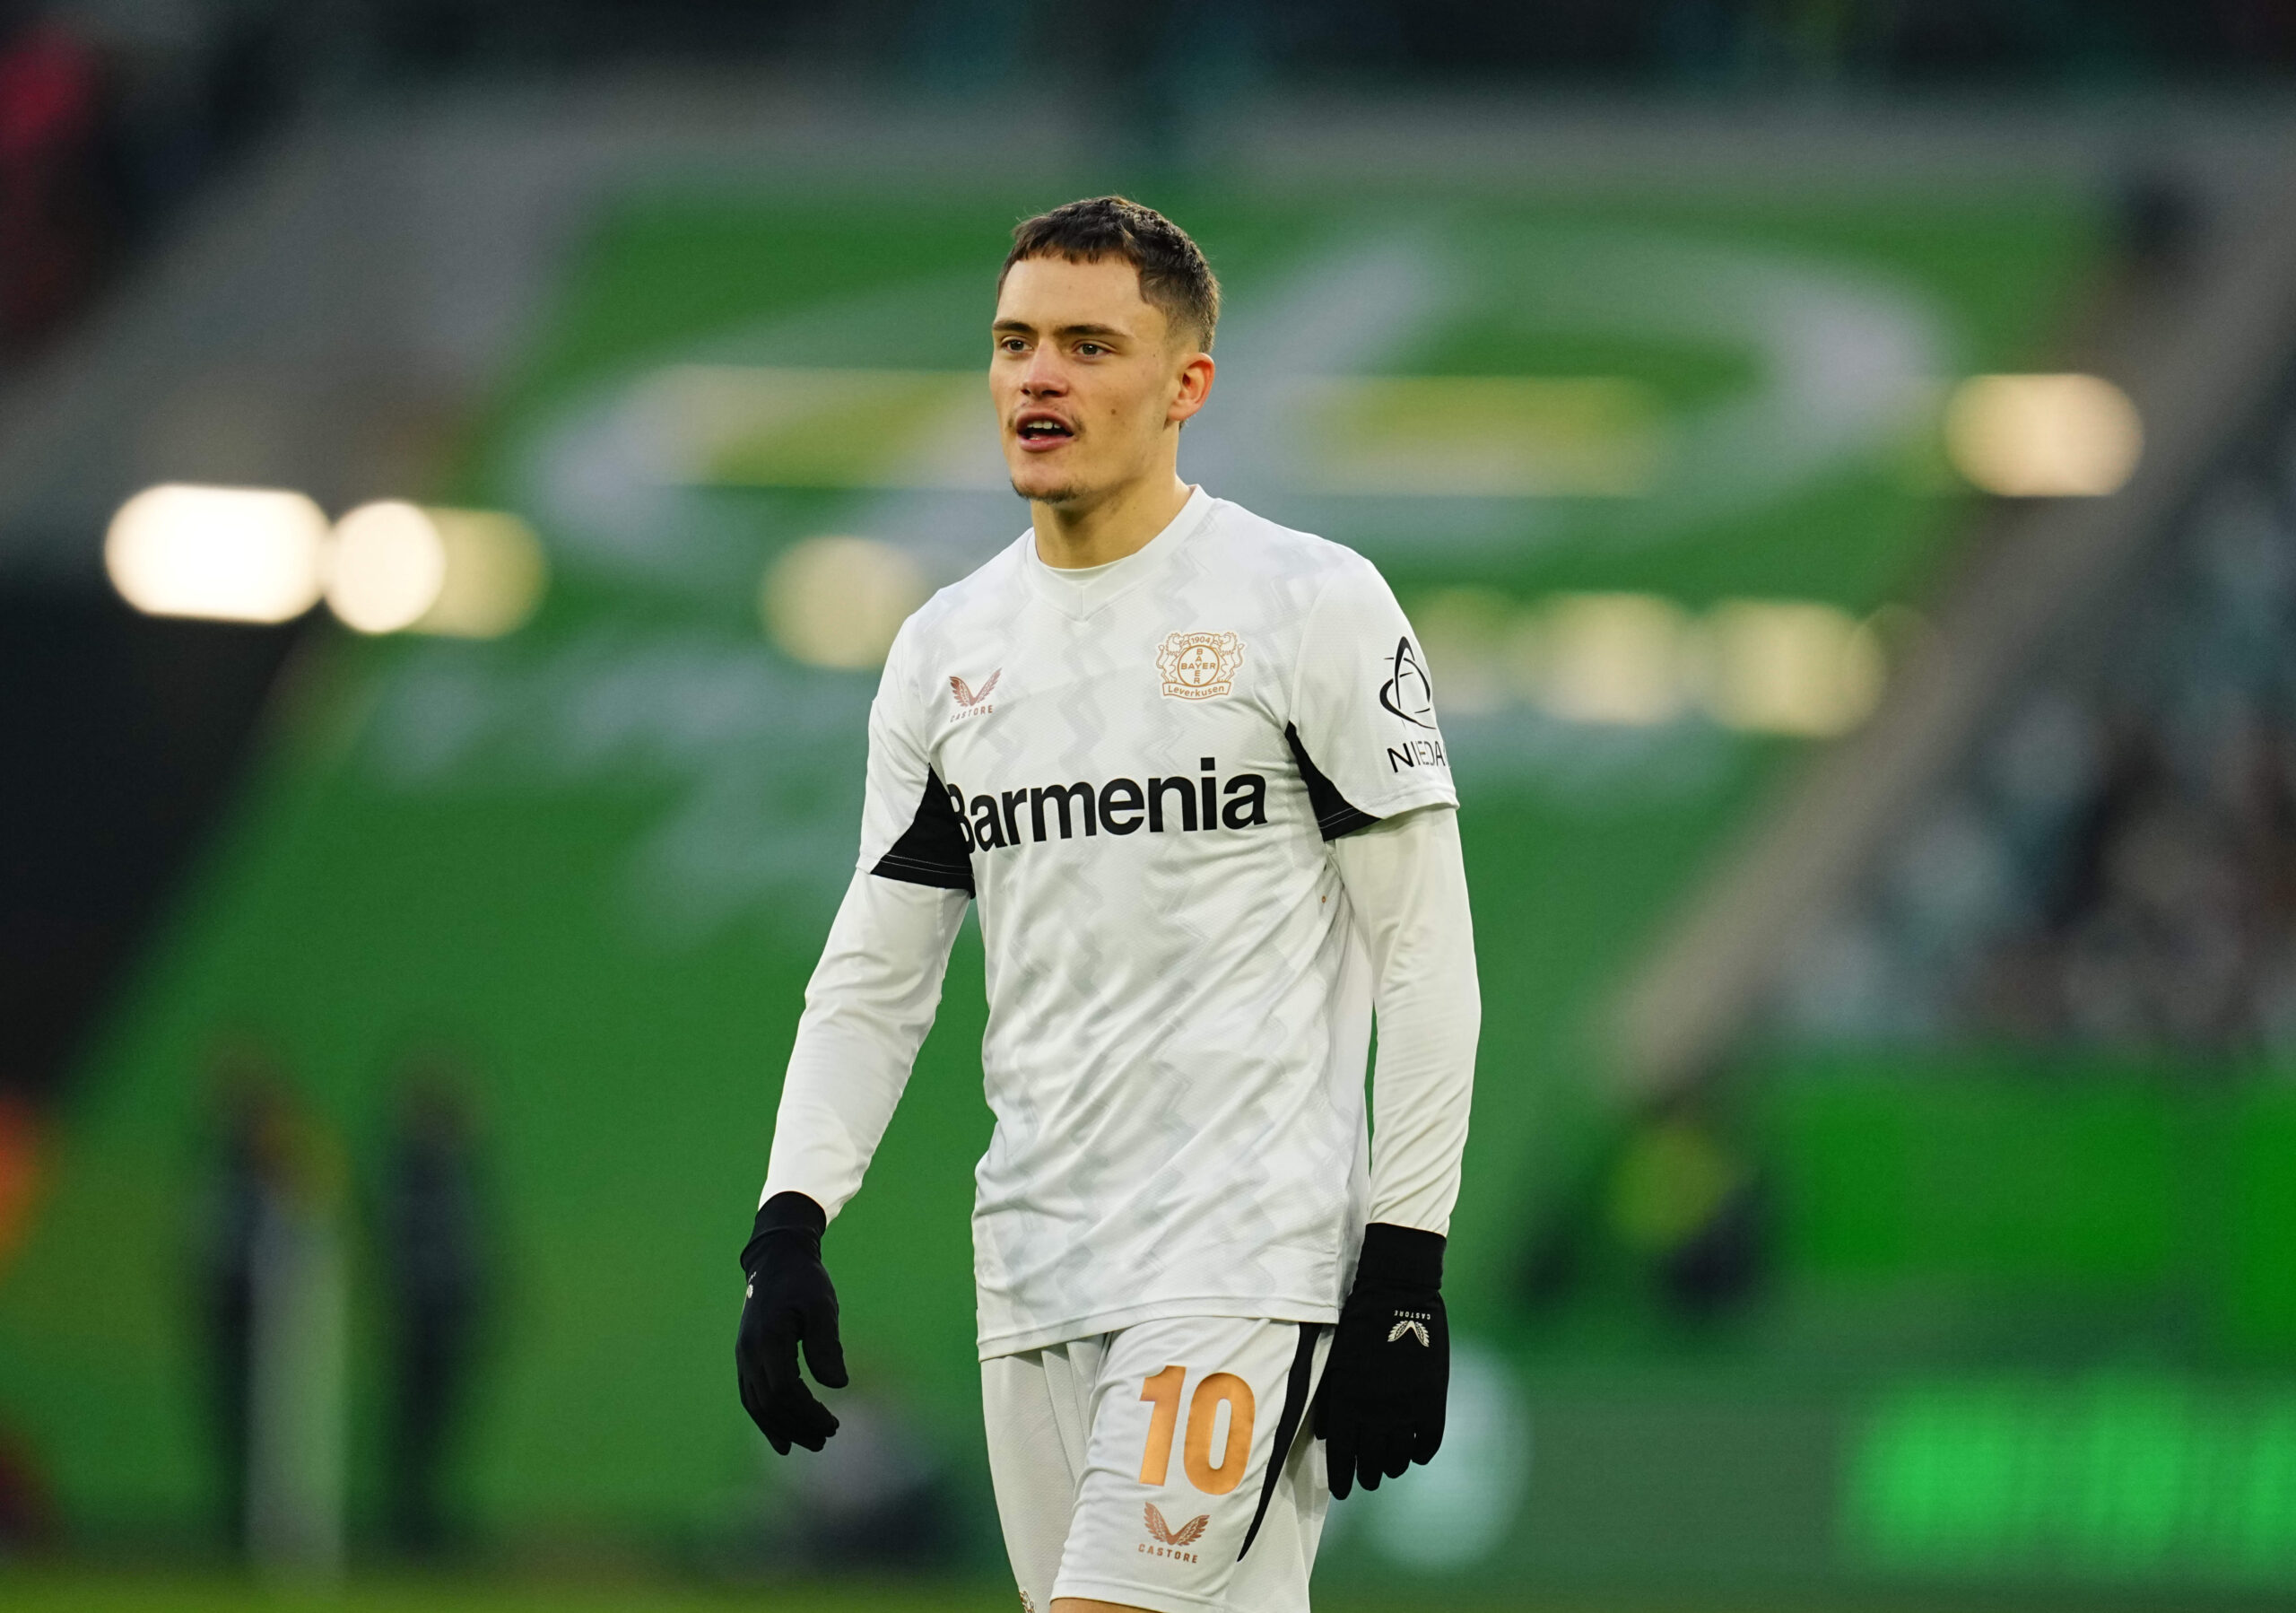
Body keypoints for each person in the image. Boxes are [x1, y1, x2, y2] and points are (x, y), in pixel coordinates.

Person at [735, 196, 1480, 1613]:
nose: (1038, 377)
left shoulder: (1307, 602)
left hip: (1240, 1254)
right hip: (1033, 1261)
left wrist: (1403, 1264)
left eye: (1087, 345)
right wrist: (790, 1222)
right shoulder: (949, 648)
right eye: (1016, 343)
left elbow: (1427, 954)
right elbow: (878, 972)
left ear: (1186, 384)